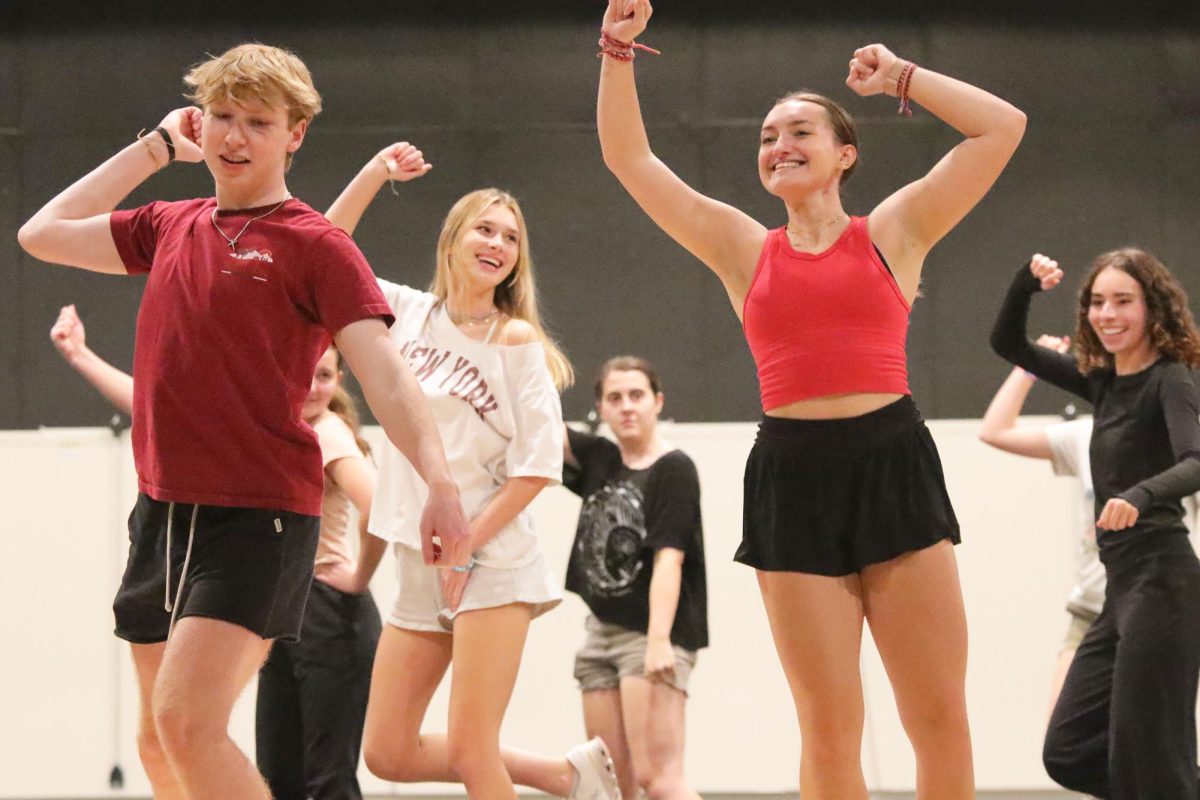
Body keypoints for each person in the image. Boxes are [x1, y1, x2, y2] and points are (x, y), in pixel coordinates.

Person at [595, 1, 1025, 796]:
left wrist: (902, 76)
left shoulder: (895, 230)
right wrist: (616, 50)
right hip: (791, 478)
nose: (778, 146)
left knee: (937, 716)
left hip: (893, 464)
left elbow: (1001, 127)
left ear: (844, 153)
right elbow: (632, 162)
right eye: (766, 136)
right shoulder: (740, 248)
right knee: (829, 728)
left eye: (798, 132)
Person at [18, 44, 468, 800]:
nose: (234, 137)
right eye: (222, 117)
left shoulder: (315, 246)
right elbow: (42, 233)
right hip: (162, 513)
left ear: (294, 134)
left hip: (256, 520)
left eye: (258, 122)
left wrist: (441, 483)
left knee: (187, 722)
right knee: (161, 740)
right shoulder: (169, 224)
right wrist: (156, 148)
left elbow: (385, 374)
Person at [325, 144, 620, 800]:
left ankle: (563, 777)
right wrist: (374, 173)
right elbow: (320, 249)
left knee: (470, 745)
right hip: (417, 557)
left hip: (490, 559)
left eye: (511, 237)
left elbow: (539, 465)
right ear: (451, 239)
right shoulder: (402, 314)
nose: (498, 243)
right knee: (388, 752)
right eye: (485, 228)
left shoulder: (513, 341)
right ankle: (563, 776)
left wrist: (467, 542)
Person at [49, 305, 386, 799]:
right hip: (280, 601)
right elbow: (154, 409)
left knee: (326, 778)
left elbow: (377, 505)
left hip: (326, 609)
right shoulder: (272, 421)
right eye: (306, 374)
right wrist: (81, 355)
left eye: (326, 376)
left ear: (339, 382)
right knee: (277, 769)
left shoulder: (326, 431)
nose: (313, 387)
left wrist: (358, 576)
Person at [991, 251, 1200, 799]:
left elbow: (1196, 460)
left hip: (1164, 584)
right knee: (1068, 751)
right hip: (1121, 589)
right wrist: (1024, 285)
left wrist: (1140, 494)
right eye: (1096, 302)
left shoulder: (1170, 379)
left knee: (1149, 751)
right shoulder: (1103, 383)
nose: (1106, 313)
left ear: (1154, 309)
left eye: (1123, 301)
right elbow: (1009, 346)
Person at [562, 356, 707, 800]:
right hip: (600, 635)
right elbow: (536, 422)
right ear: (601, 409)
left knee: (657, 777)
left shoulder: (673, 468)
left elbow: (670, 559)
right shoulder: (600, 459)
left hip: (650, 636)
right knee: (611, 782)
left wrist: (659, 641)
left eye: (637, 396)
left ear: (657, 402)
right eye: (614, 398)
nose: (627, 406)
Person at [979, 334, 1106, 720]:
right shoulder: (1084, 436)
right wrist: (1030, 368)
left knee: (1139, 740)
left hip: (1150, 607)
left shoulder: (1176, 433)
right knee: (1064, 738)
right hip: (1090, 611)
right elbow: (996, 430)